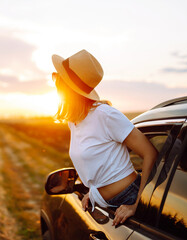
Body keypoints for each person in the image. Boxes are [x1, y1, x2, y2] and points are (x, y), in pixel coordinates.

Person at [51, 49, 158, 226]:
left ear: (67, 87)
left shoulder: (105, 115)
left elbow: (150, 153)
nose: (54, 81)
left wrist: (136, 204)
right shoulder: (74, 121)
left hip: (128, 198)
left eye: (58, 77)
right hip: (104, 204)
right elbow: (96, 164)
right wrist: (92, 192)